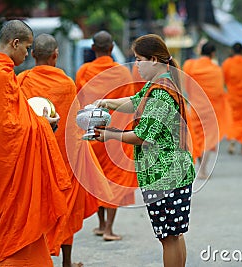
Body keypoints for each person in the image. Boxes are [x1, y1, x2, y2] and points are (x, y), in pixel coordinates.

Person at [0, 20, 70, 267]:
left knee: (10, 226)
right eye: (26, 48)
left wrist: (36, 121)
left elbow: (9, 120)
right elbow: (9, 132)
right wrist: (45, 126)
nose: (27, 54)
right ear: (15, 43)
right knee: (15, 229)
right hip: (8, 169)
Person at [94, 34, 195, 267]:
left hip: (164, 175)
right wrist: (108, 103)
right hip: (173, 172)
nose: (136, 65)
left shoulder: (161, 92)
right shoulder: (158, 84)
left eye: (139, 60)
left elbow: (140, 136)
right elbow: (136, 101)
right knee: (174, 235)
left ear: (153, 59)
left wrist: (108, 134)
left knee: (168, 237)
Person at [18, 33, 109, 267]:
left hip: (33, 158)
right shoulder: (67, 84)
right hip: (62, 161)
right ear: (55, 56)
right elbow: (73, 126)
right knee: (64, 211)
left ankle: (38, 258)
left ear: (33, 55)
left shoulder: (22, 81)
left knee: (36, 209)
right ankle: (66, 262)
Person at [75, 30, 137, 241]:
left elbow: (79, 102)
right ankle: (109, 228)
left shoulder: (83, 71)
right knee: (115, 180)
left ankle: (101, 225)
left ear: (93, 48)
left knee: (97, 179)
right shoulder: (122, 73)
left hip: (92, 134)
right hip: (114, 136)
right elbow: (130, 106)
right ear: (111, 49)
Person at [182, 41, 231, 179]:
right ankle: (203, 169)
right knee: (208, 139)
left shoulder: (189, 65)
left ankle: (197, 166)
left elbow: (187, 85)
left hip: (195, 108)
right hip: (210, 110)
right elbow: (219, 91)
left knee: (196, 138)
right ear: (213, 54)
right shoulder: (216, 70)